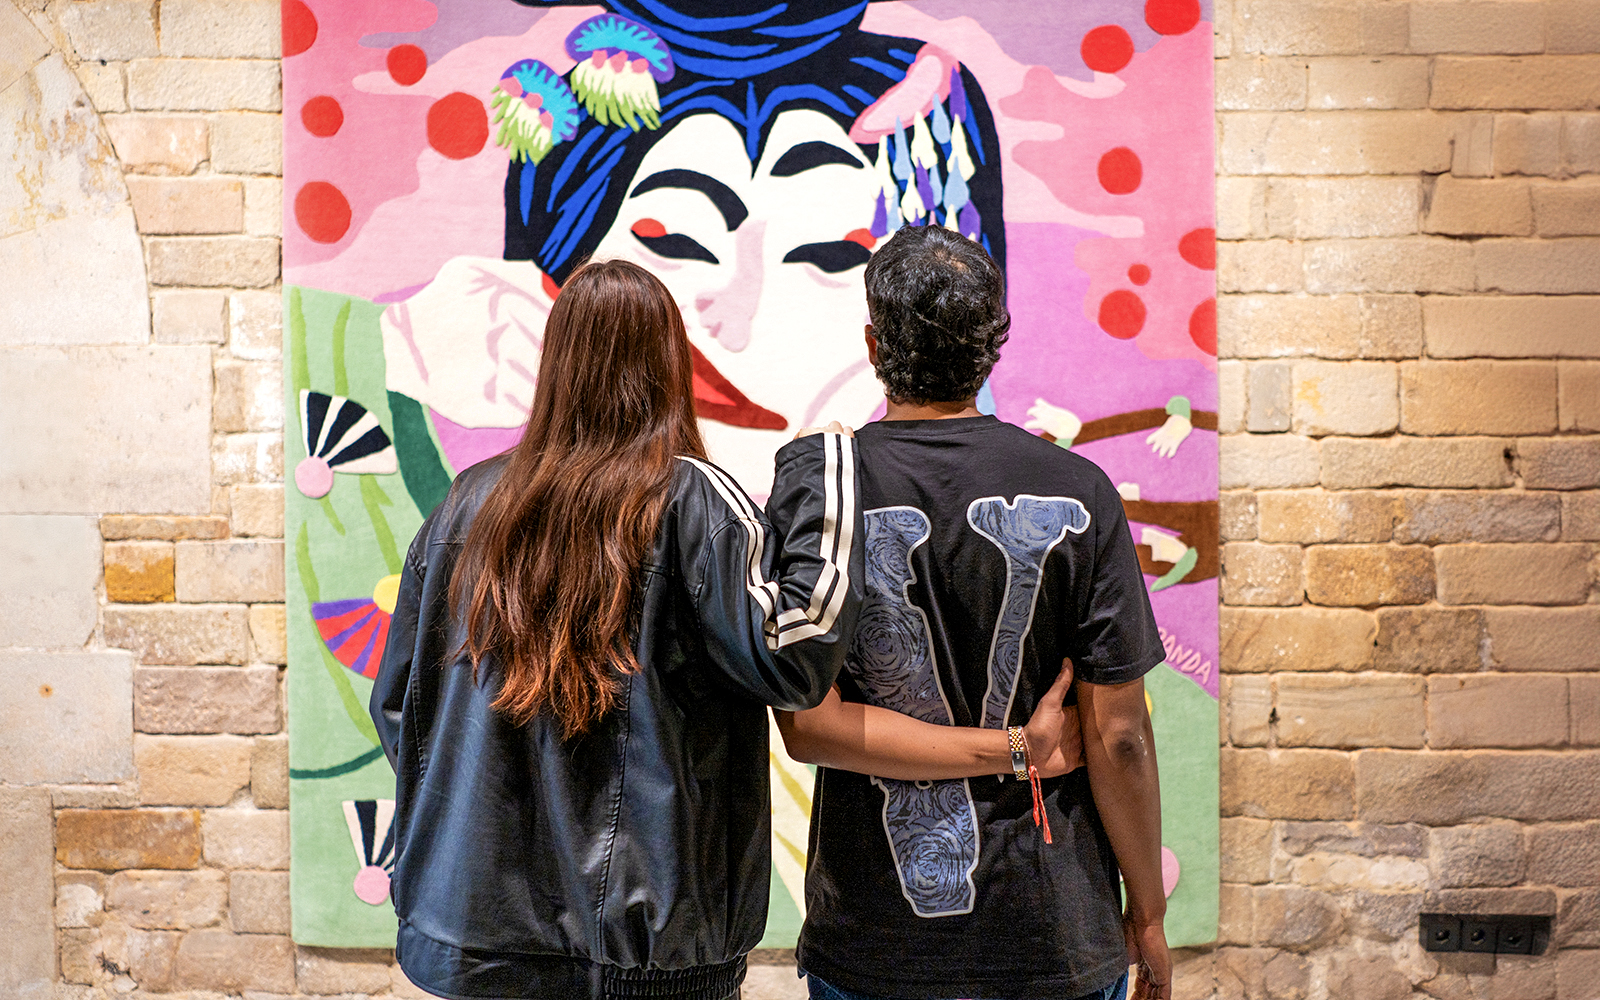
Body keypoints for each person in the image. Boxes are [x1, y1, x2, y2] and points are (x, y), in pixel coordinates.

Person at [367, 258, 871, 1000]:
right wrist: (822, 473)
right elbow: (794, 655)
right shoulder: (694, 500)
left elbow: (401, 710)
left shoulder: (467, 504)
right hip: (650, 955)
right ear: (669, 363)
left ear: (556, 362)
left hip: (475, 944)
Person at [381, 0, 1008, 506]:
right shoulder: (487, 506)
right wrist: (392, 369)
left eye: (830, 254)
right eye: (672, 241)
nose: (740, 319)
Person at [775, 225, 1173, 1000]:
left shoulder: (823, 491)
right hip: (1051, 936)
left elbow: (808, 725)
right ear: (994, 346)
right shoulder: (1082, 490)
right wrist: (1148, 913)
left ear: (873, 342)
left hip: (873, 945)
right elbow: (1119, 736)